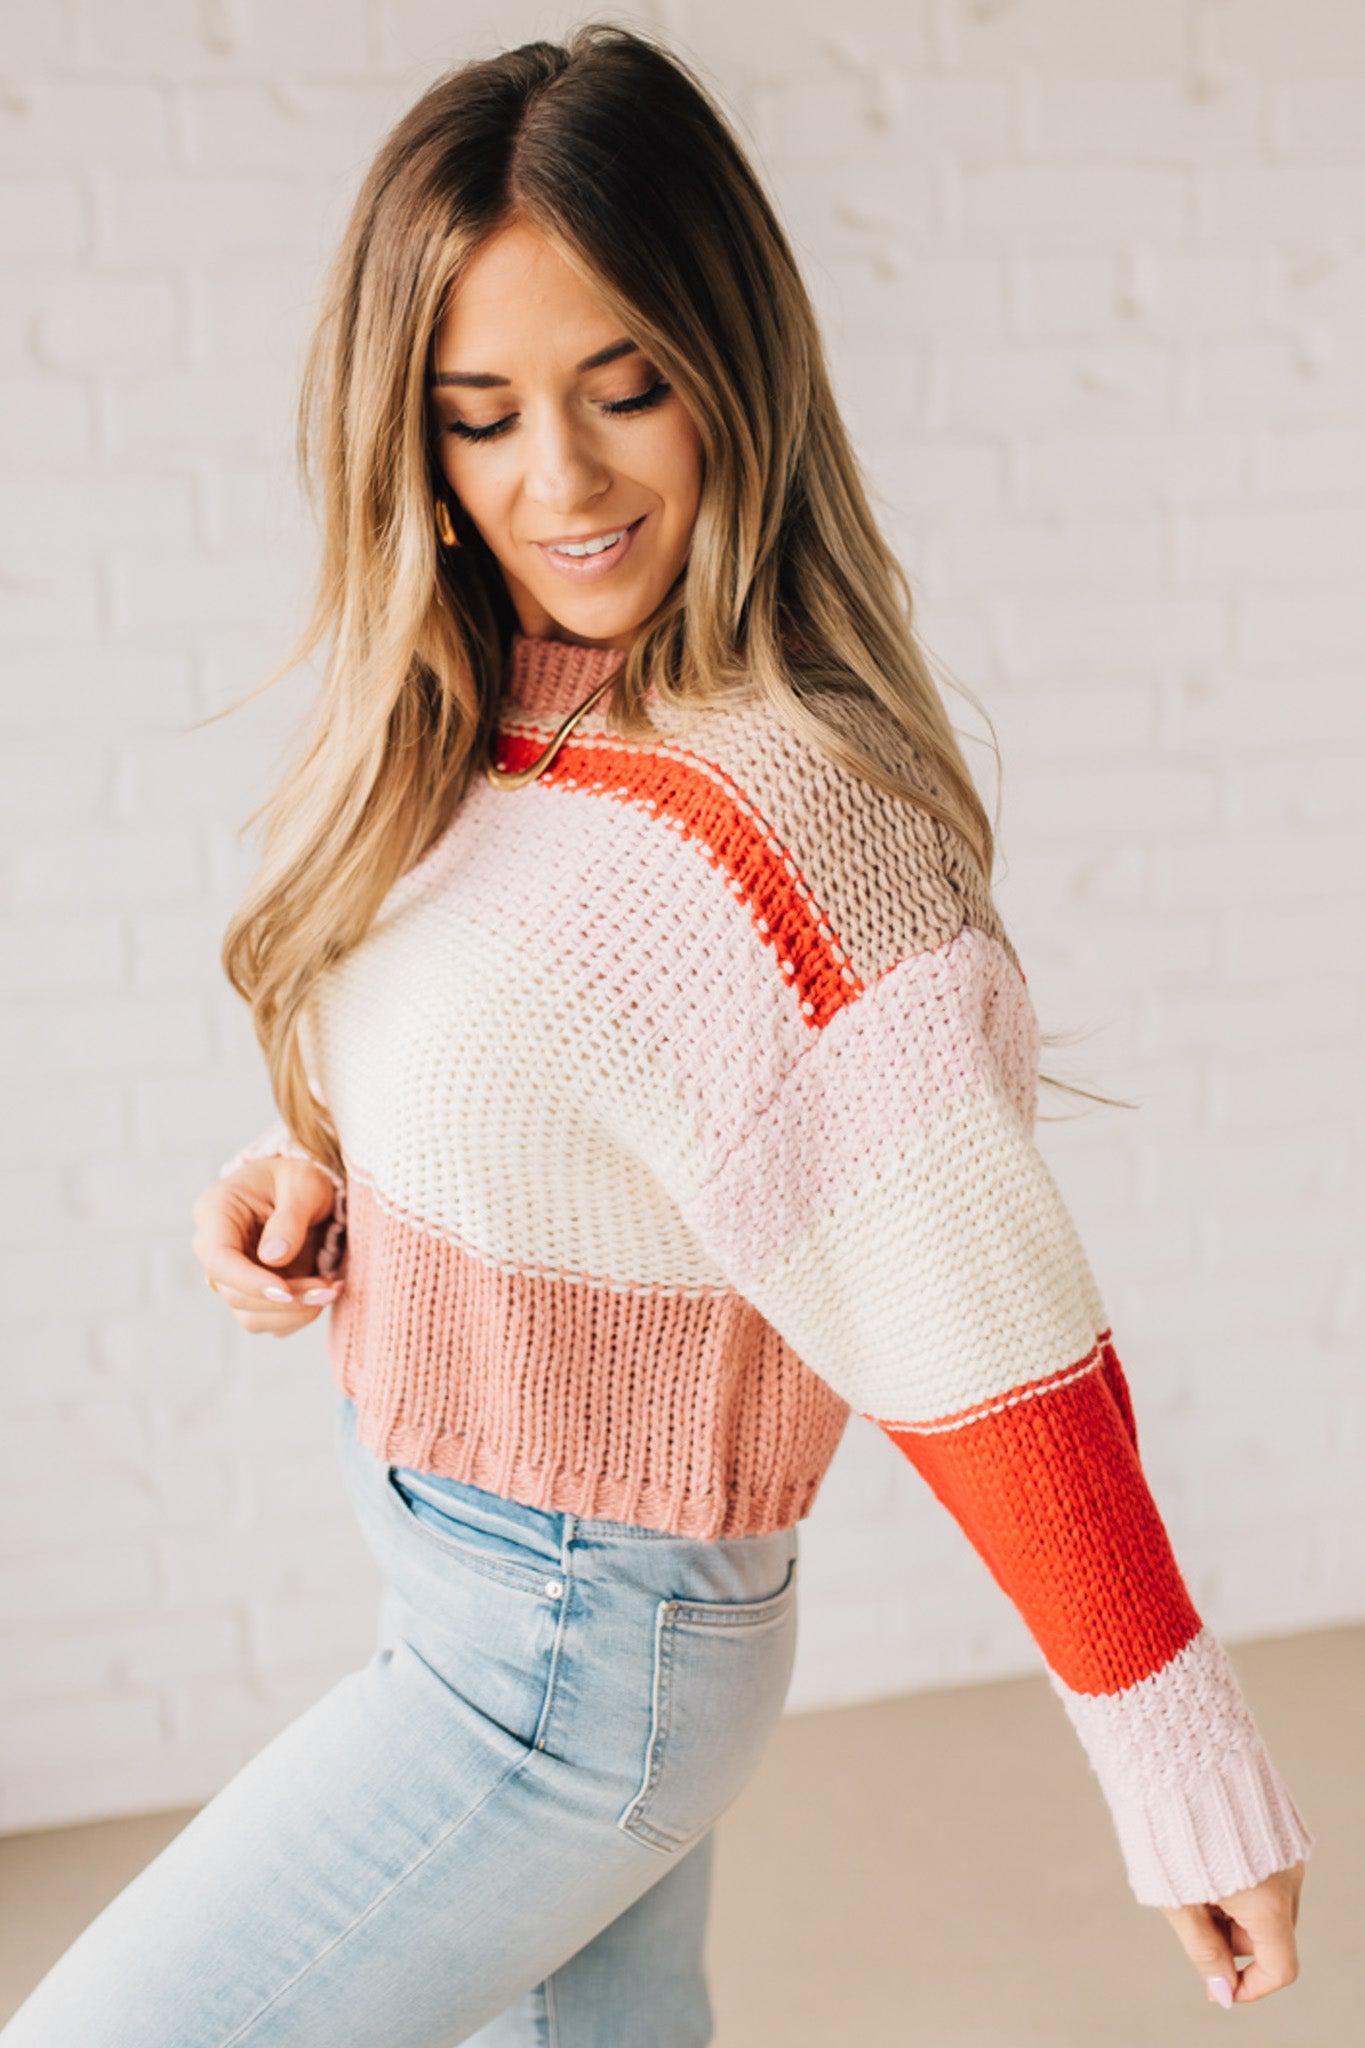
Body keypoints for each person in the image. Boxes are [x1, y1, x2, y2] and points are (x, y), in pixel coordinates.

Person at [2, 21, 1313, 2045]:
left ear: (736, 370)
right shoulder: (483, 726)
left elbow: (990, 1334)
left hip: (559, 1646)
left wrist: (1175, 1758)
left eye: (626, 386)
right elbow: (552, 1083)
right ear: (404, 435)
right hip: (468, 1574)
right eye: (480, 414)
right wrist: (320, 1187)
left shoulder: (787, 818)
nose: (563, 480)